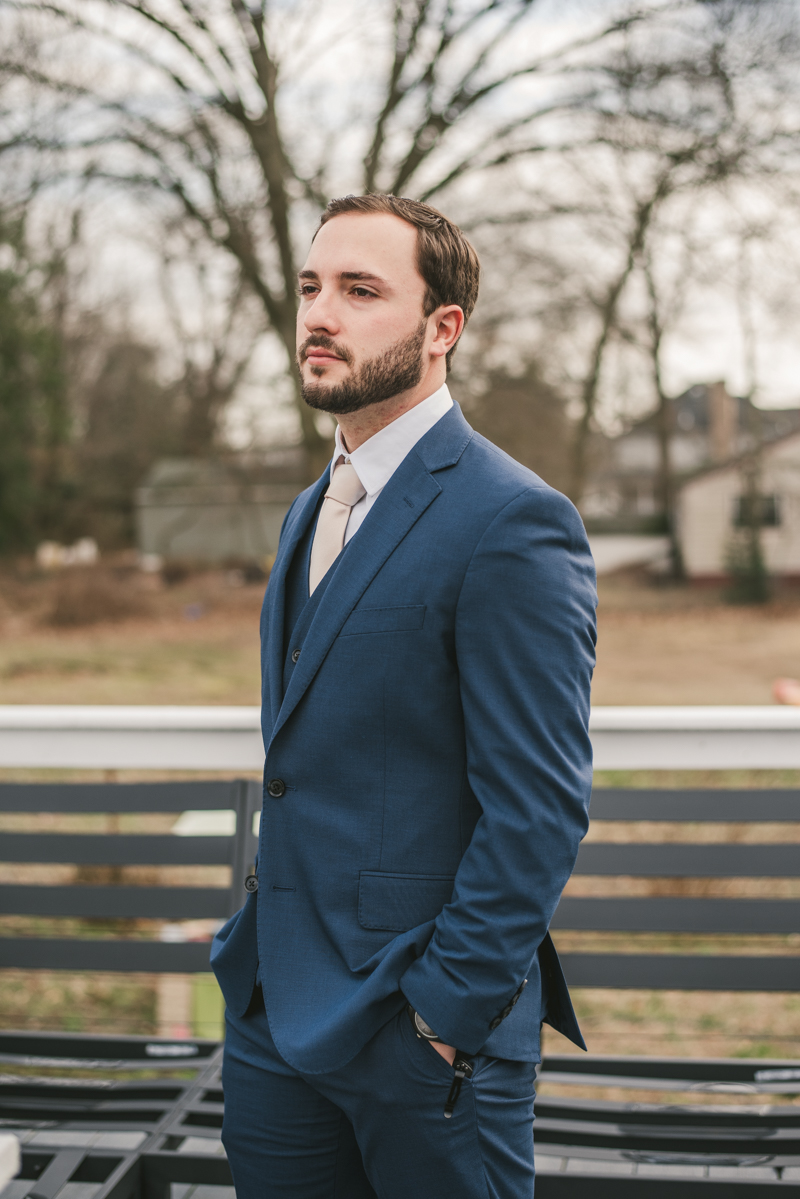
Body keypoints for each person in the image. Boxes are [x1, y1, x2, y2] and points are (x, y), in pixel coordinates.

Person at [211, 193, 596, 1198]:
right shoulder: (311, 507)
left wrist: (441, 1015)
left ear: (441, 330)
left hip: (418, 1036)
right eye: (310, 287)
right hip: (274, 1017)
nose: (319, 314)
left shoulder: (512, 520)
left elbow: (537, 804)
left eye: (360, 290)